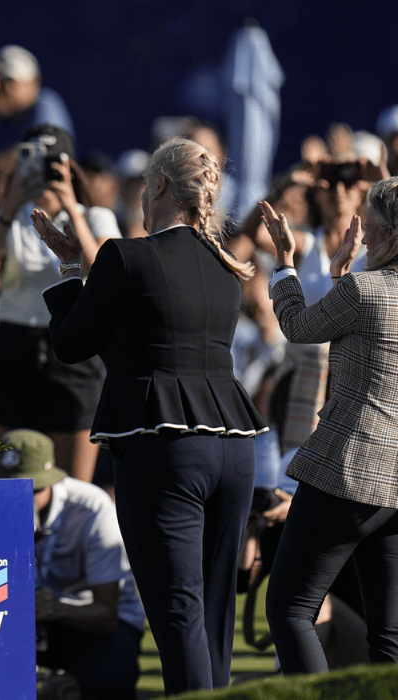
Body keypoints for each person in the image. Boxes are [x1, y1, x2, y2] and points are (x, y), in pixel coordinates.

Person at [32, 137, 267, 693]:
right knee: (211, 614)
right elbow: (136, 343)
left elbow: (71, 344)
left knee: (179, 612)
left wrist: (69, 262)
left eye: (143, 184)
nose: (139, 195)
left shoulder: (123, 256)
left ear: (159, 185)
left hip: (166, 448)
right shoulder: (224, 266)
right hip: (234, 448)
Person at [259, 178, 398, 674]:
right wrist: (340, 274)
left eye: (367, 225)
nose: (360, 233)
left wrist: (284, 263)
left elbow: (299, 328)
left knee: (288, 608)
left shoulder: (365, 290)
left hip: (352, 469)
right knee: (391, 631)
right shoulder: (365, 287)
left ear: (389, 231)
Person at [0, 124, 120, 483]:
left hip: (74, 352)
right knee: (2, 477)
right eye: (33, 162)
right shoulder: (9, 219)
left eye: (52, 165)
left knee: (72, 483)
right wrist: (7, 209)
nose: (43, 173)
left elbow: (104, 274)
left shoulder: (95, 217)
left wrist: (70, 206)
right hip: (15, 347)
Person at [0, 429, 144, 700]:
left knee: (109, 679)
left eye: (32, 490)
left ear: (50, 481)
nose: (20, 500)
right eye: (9, 490)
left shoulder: (92, 508)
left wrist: (54, 608)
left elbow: (107, 613)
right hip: (19, 620)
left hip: (87, 617)